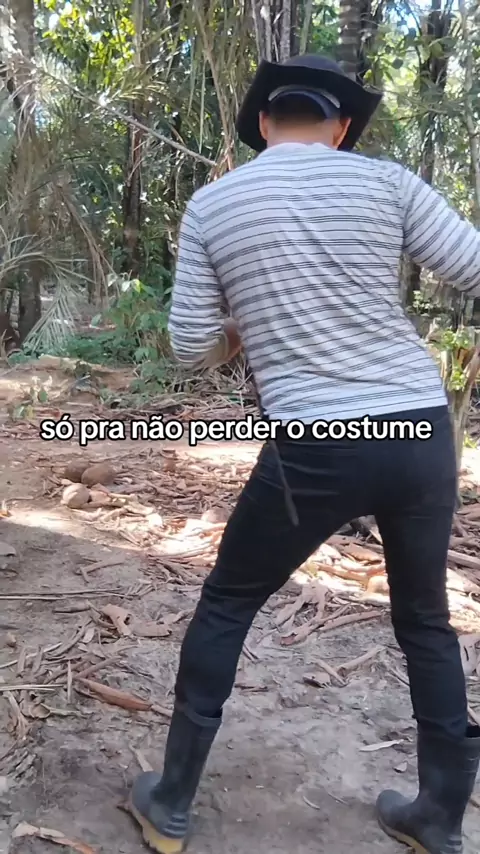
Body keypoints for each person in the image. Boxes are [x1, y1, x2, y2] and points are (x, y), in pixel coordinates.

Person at [129, 54, 480, 854]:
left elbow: (189, 348)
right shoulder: (387, 182)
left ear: (263, 123)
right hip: (419, 431)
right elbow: (472, 267)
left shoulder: (215, 204)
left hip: (318, 442)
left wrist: (239, 330)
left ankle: (171, 802)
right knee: (425, 619)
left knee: (228, 602)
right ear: (342, 127)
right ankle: (439, 817)